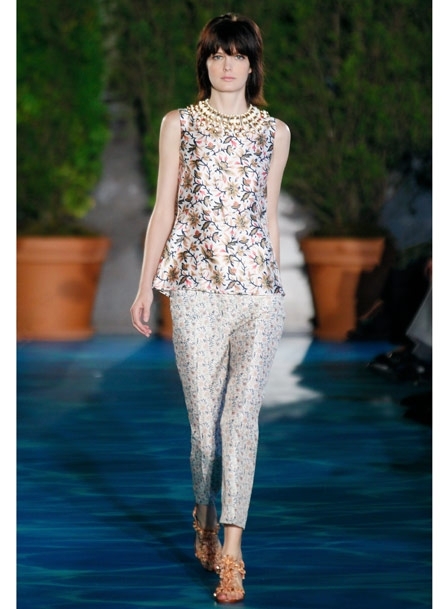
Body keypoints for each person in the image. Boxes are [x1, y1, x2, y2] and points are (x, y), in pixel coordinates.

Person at [130, 13, 290, 603]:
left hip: (257, 294)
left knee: (240, 419)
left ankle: (233, 550)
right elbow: (164, 209)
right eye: (218, 54)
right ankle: (202, 508)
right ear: (206, 62)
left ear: (252, 65)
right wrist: (145, 287)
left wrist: (274, 281)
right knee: (204, 428)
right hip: (195, 289)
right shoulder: (180, 124)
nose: (227, 64)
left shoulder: (276, 132)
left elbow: (268, 212)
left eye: (238, 54)